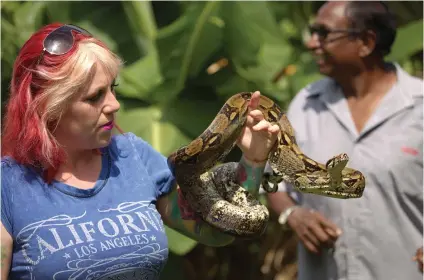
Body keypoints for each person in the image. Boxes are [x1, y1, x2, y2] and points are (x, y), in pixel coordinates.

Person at [0, 23, 280, 279]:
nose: (114, 104)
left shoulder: (133, 156)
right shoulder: (8, 186)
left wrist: (253, 160)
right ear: (50, 107)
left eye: (113, 88)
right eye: (95, 96)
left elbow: (217, 232)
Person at [266, 1, 423, 280]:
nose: (313, 43)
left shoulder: (418, 106)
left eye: (323, 33)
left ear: (365, 41)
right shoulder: (306, 103)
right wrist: (292, 213)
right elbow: (273, 179)